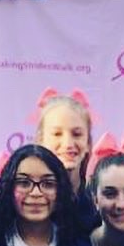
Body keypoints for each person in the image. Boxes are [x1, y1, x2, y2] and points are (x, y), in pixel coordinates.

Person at [35, 89, 99, 231]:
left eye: (77, 134)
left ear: (88, 143)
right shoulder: (21, 204)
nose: (68, 144)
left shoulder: (101, 205)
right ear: (40, 141)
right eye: (57, 134)